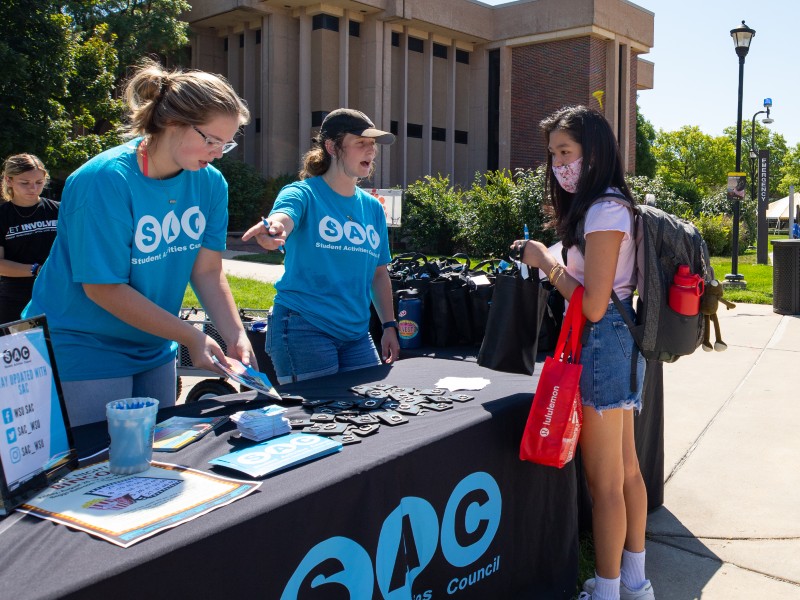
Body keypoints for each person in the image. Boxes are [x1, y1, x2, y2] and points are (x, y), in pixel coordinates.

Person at [23, 60, 254, 427]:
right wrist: (190, 336)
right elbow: (103, 288)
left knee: (158, 457)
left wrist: (235, 334)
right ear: (172, 123)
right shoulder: (102, 180)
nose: (216, 153)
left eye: (226, 145)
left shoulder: (211, 184)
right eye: (211, 140)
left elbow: (207, 270)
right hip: (83, 341)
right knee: (101, 465)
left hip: (155, 341)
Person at [512, 106, 654, 600]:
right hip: (622, 340)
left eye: (565, 152)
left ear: (593, 153)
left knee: (605, 482)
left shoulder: (604, 209)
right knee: (627, 471)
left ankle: (609, 591)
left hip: (602, 341)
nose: (557, 164)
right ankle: (635, 584)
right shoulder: (610, 206)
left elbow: (592, 304)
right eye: (552, 154)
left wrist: (547, 264)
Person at [242, 108, 399, 384]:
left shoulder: (373, 208)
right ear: (332, 147)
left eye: (372, 144)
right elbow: (283, 217)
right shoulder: (302, 193)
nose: (370, 151)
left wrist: (389, 325)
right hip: (304, 327)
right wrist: (274, 228)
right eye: (361, 143)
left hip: (357, 333)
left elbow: (378, 273)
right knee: (319, 419)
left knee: (370, 412)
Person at [0, 154, 59, 324]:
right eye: (24, 183)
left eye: (39, 182)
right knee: (23, 348)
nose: (33, 188)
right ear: (9, 180)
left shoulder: (59, 210)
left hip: (57, 294)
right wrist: (36, 270)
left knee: (58, 349)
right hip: (16, 298)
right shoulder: (3, 216)